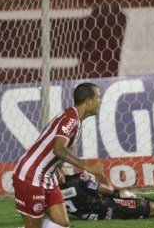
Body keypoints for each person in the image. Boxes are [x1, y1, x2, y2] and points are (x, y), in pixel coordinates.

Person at [13, 83, 105, 228]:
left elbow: (53, 144)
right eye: (98, 97)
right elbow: (58, 149)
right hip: (31, 175)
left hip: (48, 176)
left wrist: (59, 167)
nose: (100, 100)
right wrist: (86, 166)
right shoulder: (71, 119)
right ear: (88, 101)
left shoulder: (73, 118)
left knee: (62, 224)